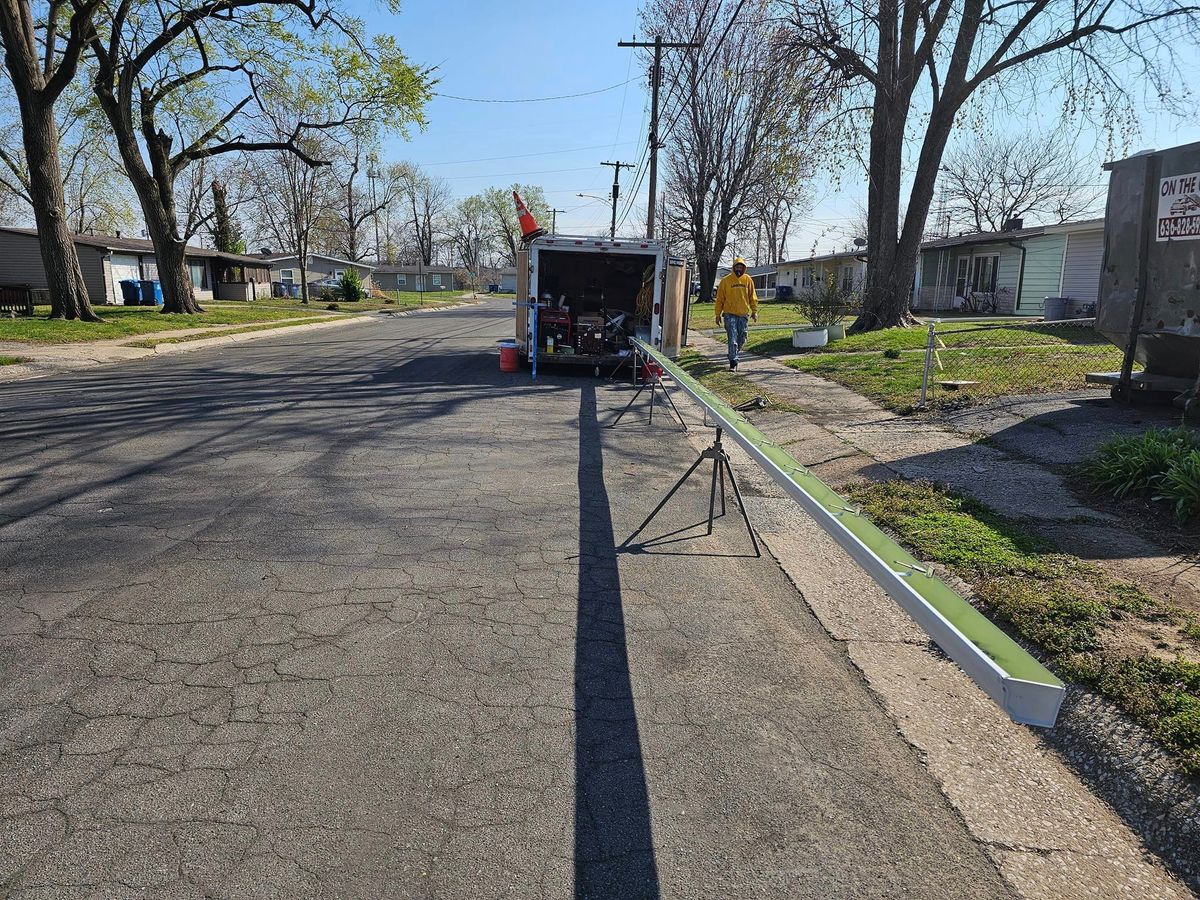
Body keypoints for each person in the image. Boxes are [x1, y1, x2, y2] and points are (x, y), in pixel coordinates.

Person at [714, 257, 758, 370]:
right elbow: (720, 299)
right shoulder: (726, 281)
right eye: (737, 266)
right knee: (732, 338)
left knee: (742, 338)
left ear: (744, 268)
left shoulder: (748, 280)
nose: (739, 269)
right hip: (729, 314)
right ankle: (733, 362)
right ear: (733, 267)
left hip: (743, 315)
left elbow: (752, 296)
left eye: (741, 267)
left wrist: (754, 311)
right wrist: (718, 314)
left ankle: (733, 353)